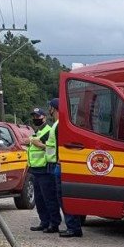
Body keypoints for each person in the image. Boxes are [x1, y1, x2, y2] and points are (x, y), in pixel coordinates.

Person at [48, 98, 83, 238]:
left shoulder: (58, 125)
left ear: (54, 108)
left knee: (64, 197)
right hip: (59, 164)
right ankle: (73, 226)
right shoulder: (58, 124)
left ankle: (73, 227)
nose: (49, 110)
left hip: (61, 165)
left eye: (50, 107)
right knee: (62, 197)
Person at [27, 107, 61, 233]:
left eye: (38, 116)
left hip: (45, 169)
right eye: (34, 117)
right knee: (39, 199)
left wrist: (38, 144)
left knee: (49, 198)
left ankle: (54, 223)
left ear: (44, 117)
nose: (36, 119)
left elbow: (51, 148)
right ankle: (44, 222)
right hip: (35, 170)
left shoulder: (48, 130)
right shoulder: (37, 131)